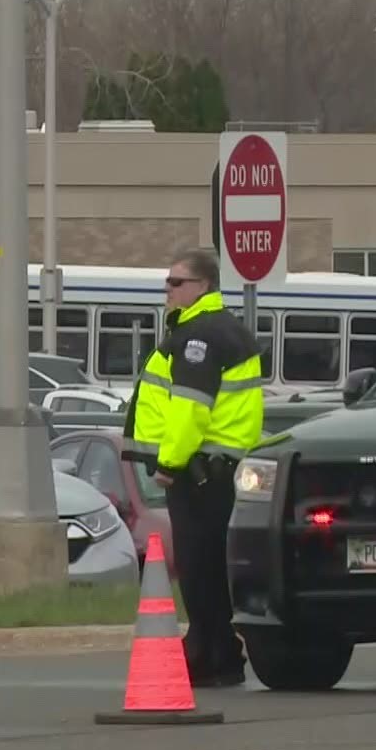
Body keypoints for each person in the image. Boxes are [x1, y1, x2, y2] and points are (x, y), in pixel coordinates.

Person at [122, 248, 265, 687]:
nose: (167, 290)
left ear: (202, 287)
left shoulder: (199, 337)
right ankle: (216, 650)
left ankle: (210, 654)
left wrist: (169, 462)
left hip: (199, 472)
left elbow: (190, 410)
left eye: (176, 282)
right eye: (167, 282)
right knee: (208, 567)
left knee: (198, 568)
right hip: (217, 469)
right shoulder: (224, 330)